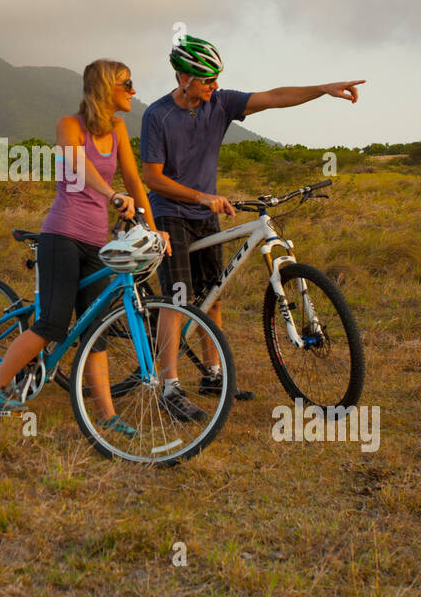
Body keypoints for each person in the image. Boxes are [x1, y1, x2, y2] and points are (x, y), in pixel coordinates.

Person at [140, 35, 364, 418]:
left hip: (205, 215)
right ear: (183, 78)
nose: (215, 86)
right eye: (207, 80)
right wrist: (200, 197)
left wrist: (323, 90)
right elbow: (153, 178)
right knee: (177, 298)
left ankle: (212, 374)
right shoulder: (157, 116)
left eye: (216, 79)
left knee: (214, 293)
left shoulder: (221, 102)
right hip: (171, 213)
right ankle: (169, 386)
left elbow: (274, 97)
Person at [0, 59, 170, 436]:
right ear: (104, 88)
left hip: (97, 243)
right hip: (62, 235)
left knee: (95, 330)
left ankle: (107, 417)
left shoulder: (116, 129)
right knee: (51, 324)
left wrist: (153, 227)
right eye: (127, 84)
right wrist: (111, 195)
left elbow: (134, 180)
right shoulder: (69, 125)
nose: (133, 91)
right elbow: (77, 163)